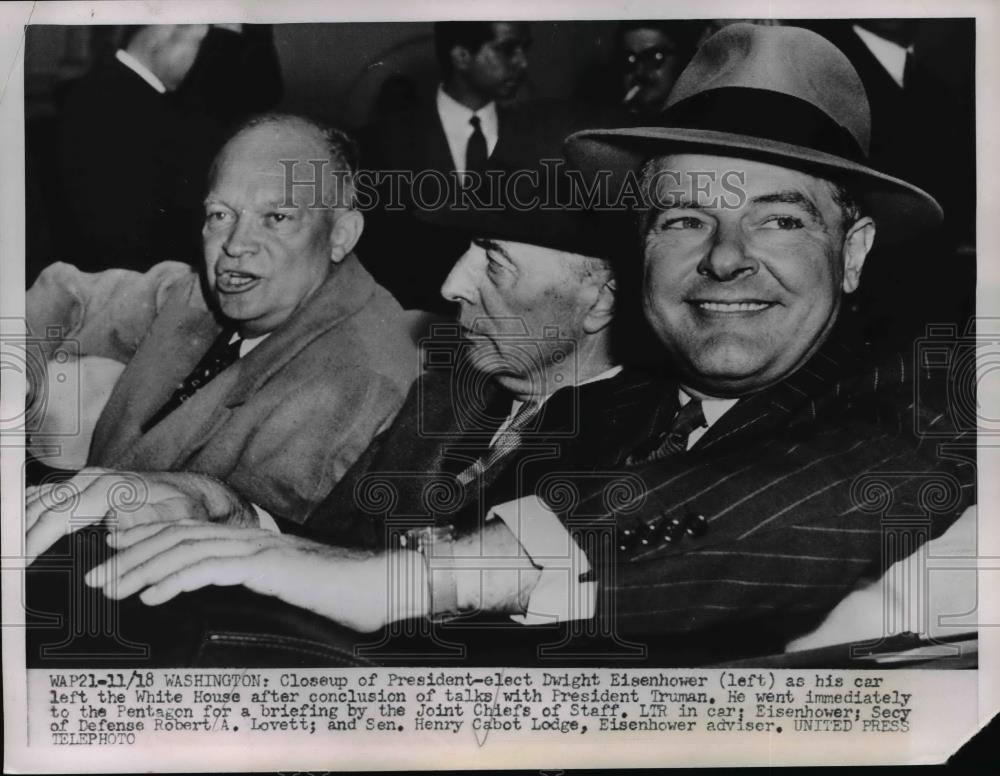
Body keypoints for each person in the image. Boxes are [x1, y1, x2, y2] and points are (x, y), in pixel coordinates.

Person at [29, 25, 975, 666]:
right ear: (641, 248)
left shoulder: (917, 394)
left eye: (779, 221)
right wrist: (222, 510)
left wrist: (408, 577)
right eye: (684, 218)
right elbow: (358, 559)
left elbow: (780, 504)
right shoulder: (605, 403)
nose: (725, 259)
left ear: (852, 253)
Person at [26, 113, 420, 534]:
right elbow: (67, 292)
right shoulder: (211, 293)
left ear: (341, 235)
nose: (235, 245)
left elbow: (255, 535)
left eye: (277, 218)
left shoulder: (356, 378)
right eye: (220, 215)